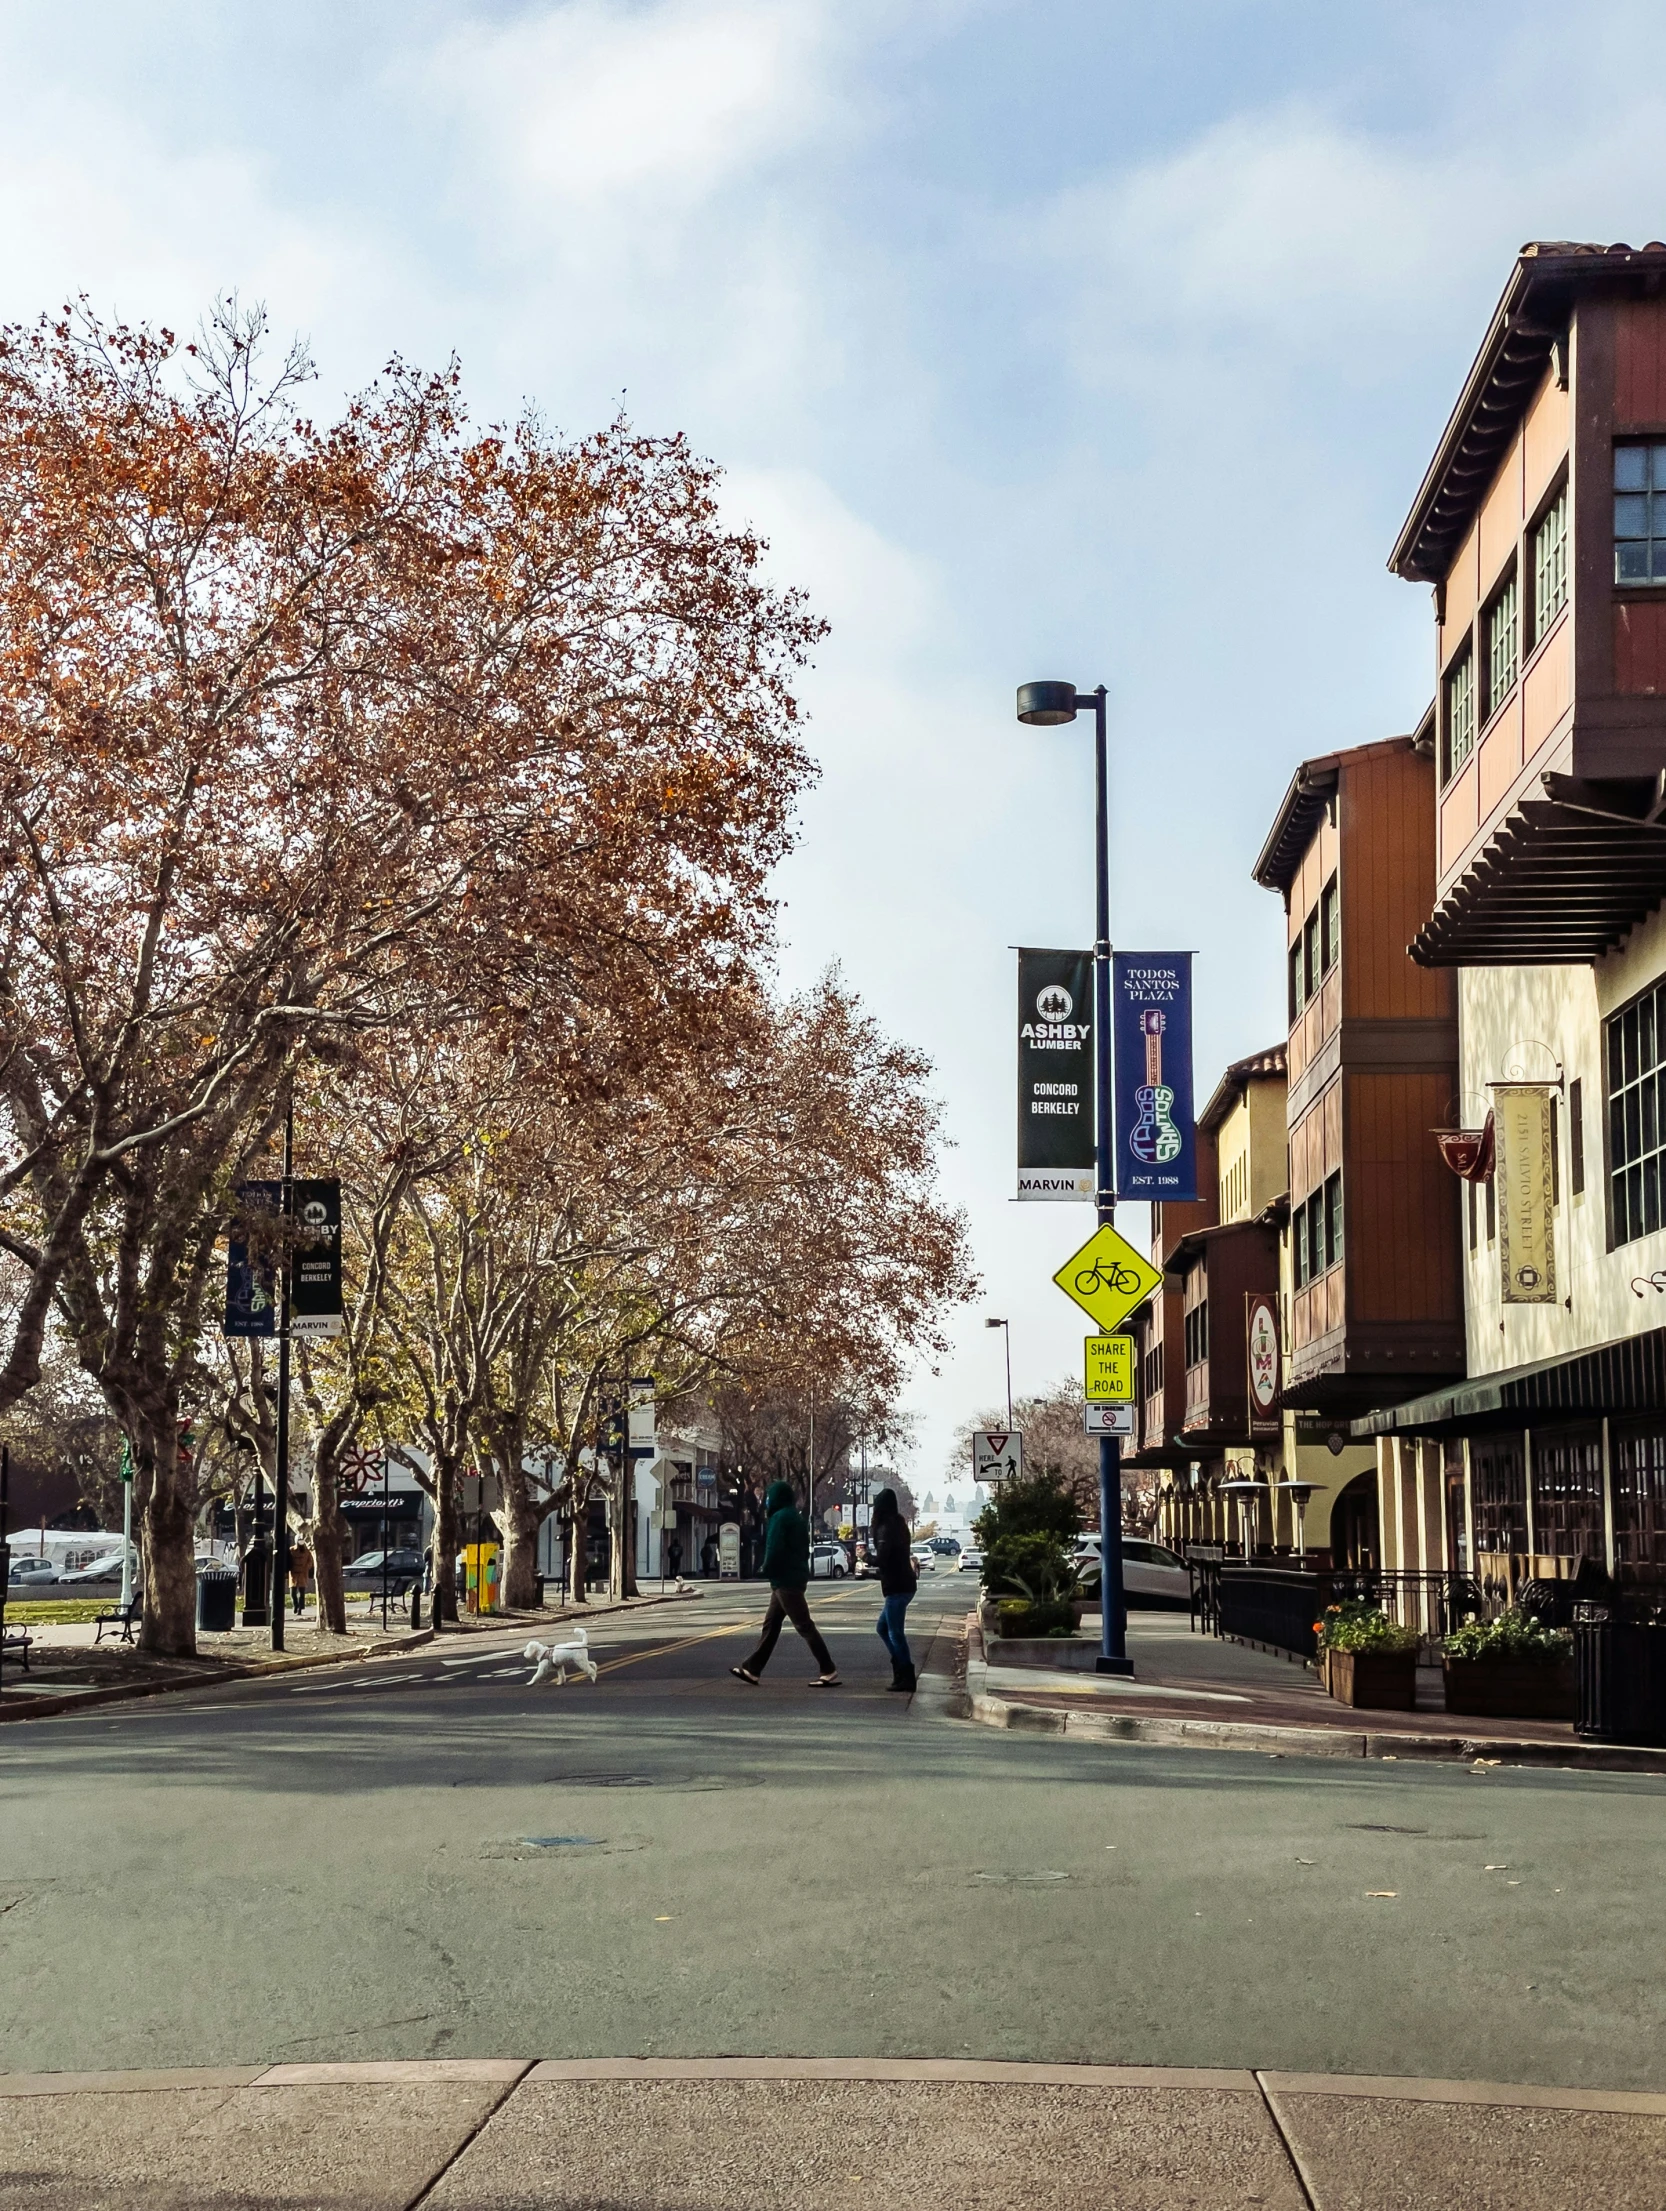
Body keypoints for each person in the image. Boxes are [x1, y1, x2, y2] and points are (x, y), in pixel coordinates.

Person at [731, 1479, 840, 1687]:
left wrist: (765, 1568)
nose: (766, 1500)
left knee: (804, 1625)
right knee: (771, 1625)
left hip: (785, 1579)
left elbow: (775, 1547)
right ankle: (752, 1669)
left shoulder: (780, 1518)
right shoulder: (795, 1517)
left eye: (769, 1496)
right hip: (793, 1576)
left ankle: (828, 1668)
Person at [870, 1489, 917, 1691]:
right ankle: (900, 1666)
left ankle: (906, 1675)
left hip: (897, 1586)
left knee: (895, 1632)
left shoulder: (886, 1528)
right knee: (883, 1628)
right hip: (902, 1583)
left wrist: (864, 1558)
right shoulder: (899, 1524)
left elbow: (883, 1559)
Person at [289, 1543, 313, 1620]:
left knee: (301, 1593)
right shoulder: (291, 1550)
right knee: (293, 1592)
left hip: (303, 1574)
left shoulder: (307, 1551)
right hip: (293, 1574)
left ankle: (300, 1608)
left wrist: (306, 1567)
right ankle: (295, 1605)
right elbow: (288, 1559)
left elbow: (310, 1561)